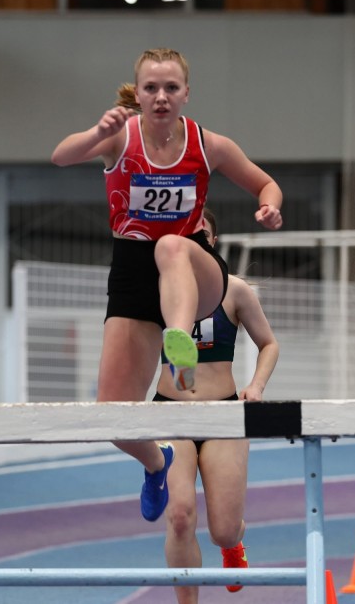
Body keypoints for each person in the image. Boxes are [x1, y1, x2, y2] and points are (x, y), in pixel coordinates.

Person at [52, 48, 283, 522]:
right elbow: (61, 156)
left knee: (171, 247)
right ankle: (158, 463)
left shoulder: (209, 144)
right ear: (138, 94)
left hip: (194, 269)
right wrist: (97, 133)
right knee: (112, 416)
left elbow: (266, 184)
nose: (161, 97)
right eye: (151, 88)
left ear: (186, 94)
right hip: (133, 274)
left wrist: (270, 206)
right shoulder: (120, 136)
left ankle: (179, 343)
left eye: (171, 88)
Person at [157, 210, 279, 600]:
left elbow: (269, 344)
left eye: (201, 234)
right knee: (179, 517)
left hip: (223, 416)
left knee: (223, 530)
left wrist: (256, 385)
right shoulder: (156, 288)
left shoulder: (235, 290)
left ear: (212, 242)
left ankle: (233, 544)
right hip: (169, 413)